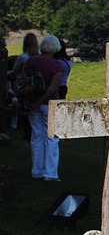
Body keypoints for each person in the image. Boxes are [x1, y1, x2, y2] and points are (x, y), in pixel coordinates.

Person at [23, 35, 66, 181]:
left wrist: (30, 101)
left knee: (37, 137)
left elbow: (23, 82)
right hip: (50, 105)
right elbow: (52, 89)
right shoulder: (56, 65)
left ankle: (37, 171)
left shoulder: (31, 61)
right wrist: (40, 101)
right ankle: (50, 173)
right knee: (52, 138)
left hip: (32, 102)